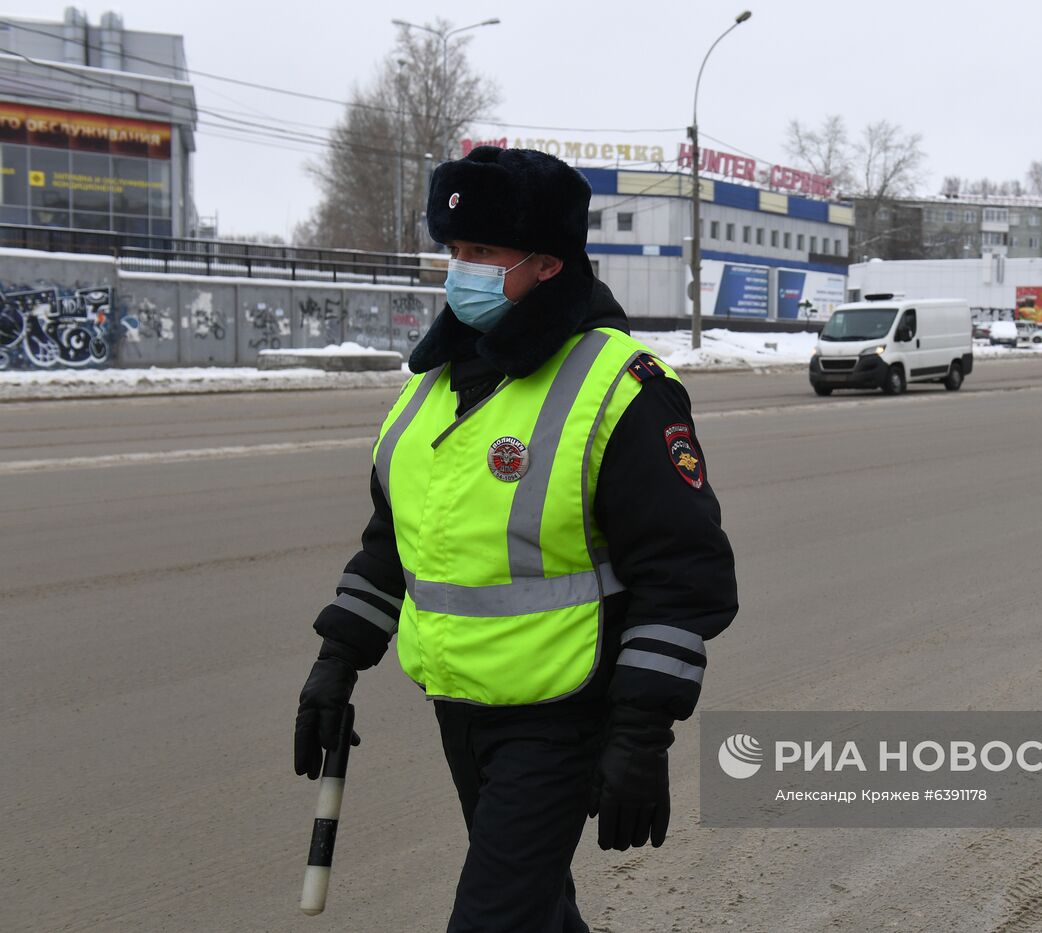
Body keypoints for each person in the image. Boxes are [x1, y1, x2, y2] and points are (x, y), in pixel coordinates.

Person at [293, 146, 739, 932]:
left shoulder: (620, 385)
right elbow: (395, 544)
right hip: (458, 702)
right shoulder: (432, 388)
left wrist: (642, 731)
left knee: (493, 918)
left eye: (484, 254)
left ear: (548, 263)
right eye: (456, 252)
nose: (461, 271)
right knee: (534, 911)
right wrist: (336, 662)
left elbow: (684, 571)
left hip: (563, 709)